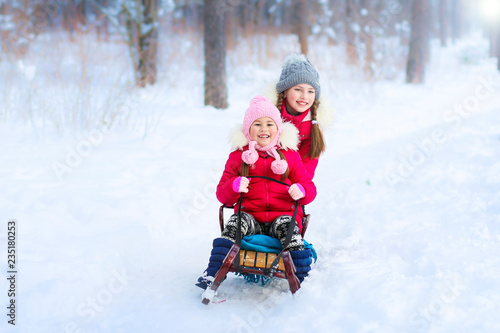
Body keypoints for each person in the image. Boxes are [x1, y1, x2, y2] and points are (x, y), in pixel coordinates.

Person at [196, 95, 316, 290]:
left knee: (290, 230)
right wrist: (233, 186)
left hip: (282, 216)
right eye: (257, 124)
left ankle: (302, 278)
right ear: (247, 130)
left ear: (278, 128)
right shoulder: (239, 156)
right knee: (235, 224)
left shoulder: (290, 155)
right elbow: (222, 195)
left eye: (270, 124)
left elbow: (309, 187)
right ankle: (213, 273)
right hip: (250, 217)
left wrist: (301, 190)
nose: (264, 129)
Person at [275, 53, 329, 179]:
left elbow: (307, 169)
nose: (304, 96)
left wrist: (299, 187)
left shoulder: (312, 125)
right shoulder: (267, 116)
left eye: (310, 91)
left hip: (290, 187)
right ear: (285, 90)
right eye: (298, 89)